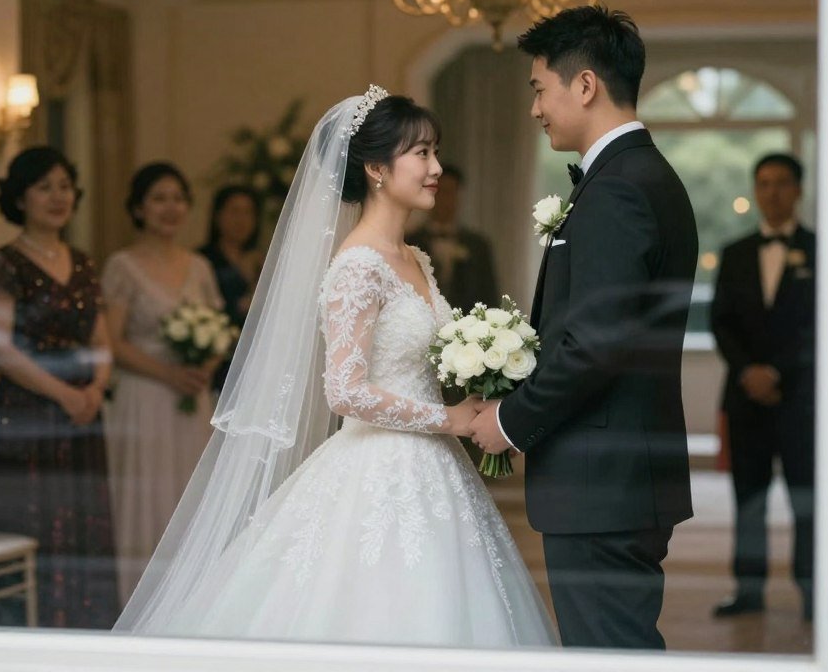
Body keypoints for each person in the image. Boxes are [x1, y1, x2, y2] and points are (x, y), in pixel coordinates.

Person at [115, 88, 556, 648]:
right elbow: (345, 391)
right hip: (379, 464)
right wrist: (449, 419)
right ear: (375, 168)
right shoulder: (358, 265)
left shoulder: (414, 257)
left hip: (435, 465)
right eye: (421, 153)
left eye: (434, 152)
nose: (436, 168)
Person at [469, 6, 698, 650]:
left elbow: (595, 345)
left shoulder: (619, 189)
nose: (536, 108)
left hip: (603, 481)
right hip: (621, 476)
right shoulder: (641, 176)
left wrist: (511, 420)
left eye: (540, 88)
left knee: (607, 652)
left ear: (586, 85)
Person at [0, 147, 118, 628]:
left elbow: (101, 340)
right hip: (28, 410)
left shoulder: (82, 263)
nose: (58, 197)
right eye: (44, 187)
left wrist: (95, 388)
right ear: (20, 197)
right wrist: (64, 394)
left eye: (65, 186)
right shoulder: (4, 263)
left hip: (82, 411)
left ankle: (85, 631)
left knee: (82, 522)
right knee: (31, 520)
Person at [102, 162, 226, 604]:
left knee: (190, 498)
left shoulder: (198, 266)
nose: (170, 208)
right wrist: (168, 374)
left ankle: (192, 603)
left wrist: (205, 366)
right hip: (145, 397)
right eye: (158, 198)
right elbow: (113, 342)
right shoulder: (123, 265)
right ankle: (142, 602)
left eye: (177, 198)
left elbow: (220, 327)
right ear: (138, 208)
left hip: (193, 397)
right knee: (148, 498)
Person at [710, 153, 815, 622]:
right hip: (745, 397)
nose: (771, 192)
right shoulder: (733, 253)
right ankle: (748, 591)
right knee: (747, 499)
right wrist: (750, 370)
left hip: (802, 400)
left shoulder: (823, 251)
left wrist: (778, 373)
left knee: (806, 497)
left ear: (798, 190)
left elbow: (820, 328)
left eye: (781, 183)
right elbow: (720, 322)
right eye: (764, 183)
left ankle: (815, 593)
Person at [408, 164, 499, 313]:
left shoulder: (478, 245)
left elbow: (489, 296)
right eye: (440, 192)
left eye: (450, 192)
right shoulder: (411, 241)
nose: (445, 199)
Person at [198, 185, 263, 390]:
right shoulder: (203, 260)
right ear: (218, 216)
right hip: (217, 360)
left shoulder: (263, 261)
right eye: (234, 212)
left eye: (247, 213)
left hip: (255, 357)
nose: (241, 220)